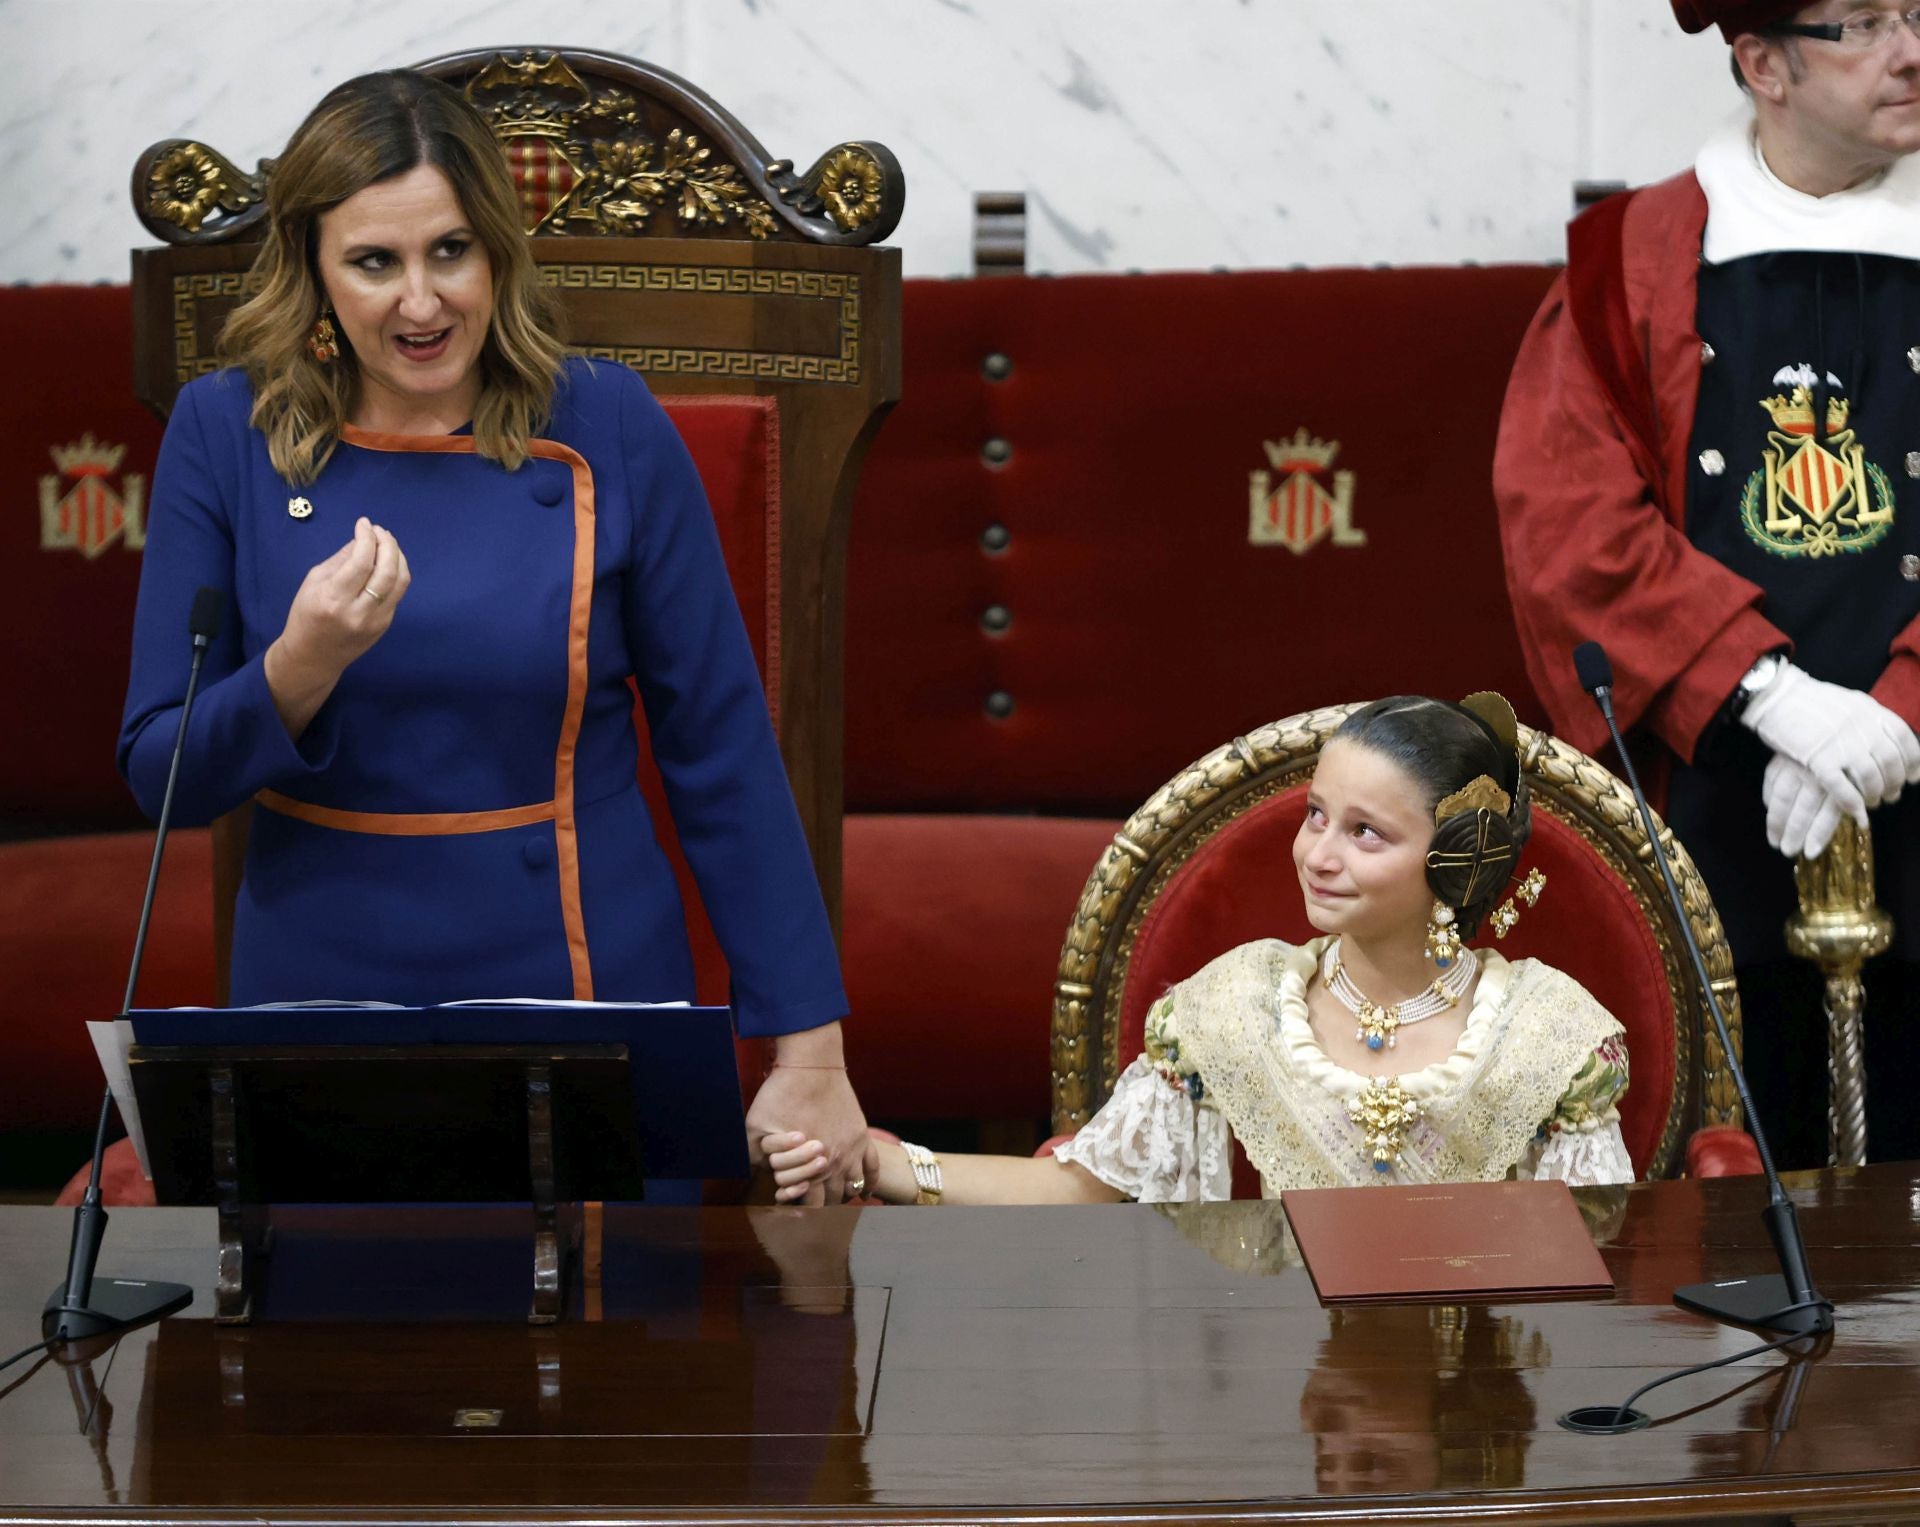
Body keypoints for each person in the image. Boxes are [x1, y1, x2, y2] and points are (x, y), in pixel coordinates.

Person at [118, 70, 866, 1199]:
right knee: (331, 1314)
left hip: (583, 983)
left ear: (499, 252)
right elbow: (159, 772)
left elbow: (721, 750)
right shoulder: (225, 431)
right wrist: (297, 666)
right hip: (319, 997)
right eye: (375, 263)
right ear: (312, 269)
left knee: (614, 1312)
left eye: (451, 252)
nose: (421, 303)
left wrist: (810, 1052)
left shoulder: (607, 420)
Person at [1493, 0, 1920, 1167]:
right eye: (1864, 24)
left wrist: (1899, 712)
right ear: (1762, 63)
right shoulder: (1625, 262)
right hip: (1716, 795)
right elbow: (1569, 525)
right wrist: (1772, 700)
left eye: (1916, 13)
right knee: (1731, 1197)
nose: (1910, 52)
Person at [765, 695, 1636, 1204]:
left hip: (1477, 1414)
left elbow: (1597, 1253)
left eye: (1365, 833)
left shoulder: (1546, 1037)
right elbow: (1083, 1187)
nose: (1318, 854)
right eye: (1316, 815)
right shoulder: (1235, 1008)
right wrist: (884, 1160)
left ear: (1455, 859)